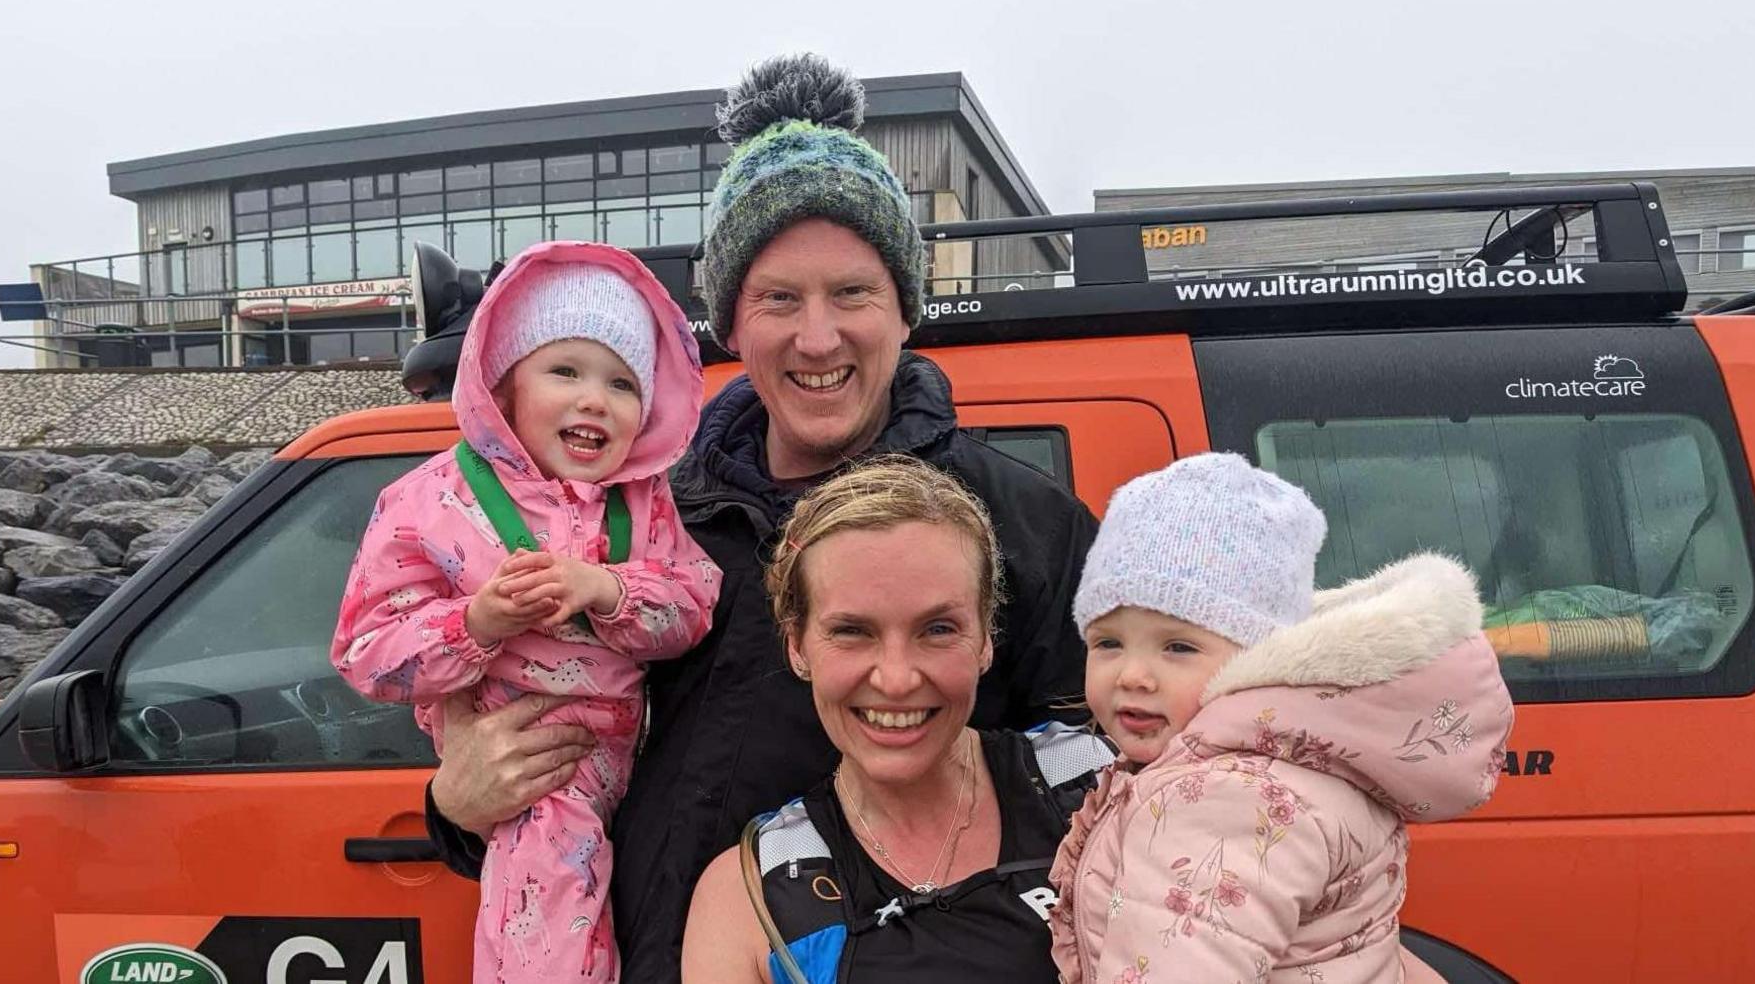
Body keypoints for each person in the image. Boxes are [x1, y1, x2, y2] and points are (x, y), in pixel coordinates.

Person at [424, 53, 1099, 982]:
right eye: (778, 298)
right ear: (730, 325)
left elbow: (1113, 793)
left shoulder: (1022, 525)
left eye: (853, 293)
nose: (817, 338)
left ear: (906, 310)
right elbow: (547, 751)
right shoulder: (639, 520)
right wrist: (455, 809)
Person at [333, 241, 719, 983]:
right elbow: (366, 653)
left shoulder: (645, 503)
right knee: (547, 905)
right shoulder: (426, 504)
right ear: (502, 386)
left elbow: (694, 605)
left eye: (622, 382)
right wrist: (476, 623)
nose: (594, 399)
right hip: (533, 766)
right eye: (564, 370)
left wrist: (607, 591)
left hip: (641, 768)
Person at [1049, 453, 1514, 983]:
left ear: (1258, 658)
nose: (1132, 674)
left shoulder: (1220, 799)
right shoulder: (1294, 759)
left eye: (1177, 647)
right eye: (1107, 642)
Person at [682, 456, 1117, 983]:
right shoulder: (751, 896)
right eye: (852, 631)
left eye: (937, 629)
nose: (896, 679)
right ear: (796, 644)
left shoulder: (1100, 790)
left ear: (985, 638)